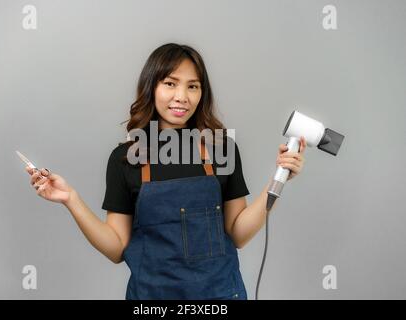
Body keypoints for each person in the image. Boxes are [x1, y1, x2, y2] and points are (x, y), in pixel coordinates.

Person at [26, 43, 306, 300]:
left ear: (202, 92)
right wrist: (71, 199)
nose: (181, 97)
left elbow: (238, 233)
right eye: (170, 83)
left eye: (193, 86)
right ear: (152, 87)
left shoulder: (222, 150)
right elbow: (116, 247)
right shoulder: (126, 159)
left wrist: (277, 180)